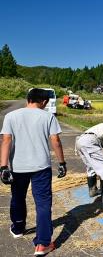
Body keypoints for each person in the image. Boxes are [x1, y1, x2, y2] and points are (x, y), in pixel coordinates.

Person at [0, 88, 67, 256]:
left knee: (17, 197)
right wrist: (61, 163)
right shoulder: (48, 117)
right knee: (43, 204)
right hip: (41, 167)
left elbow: (6, 140)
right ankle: (43, 244)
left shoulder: (11, 116)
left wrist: (3, 167)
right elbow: (55, 140)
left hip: (18, 167)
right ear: (43, 102)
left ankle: (18, 228)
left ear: (27, 99)